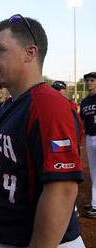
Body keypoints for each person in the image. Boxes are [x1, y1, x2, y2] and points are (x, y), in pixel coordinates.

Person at [0, 14, 85, 248]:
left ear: (30, 53)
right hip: (6, 237)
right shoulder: (7, 107)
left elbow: (62, 190)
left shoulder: (49, 105)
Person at [79, 72, 96, 218]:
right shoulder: (84, 102)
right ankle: (94, 202)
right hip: (90, 138)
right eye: (87, 80)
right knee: (93, 172)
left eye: (92, 80)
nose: (89, 83)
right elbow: (83, 122)